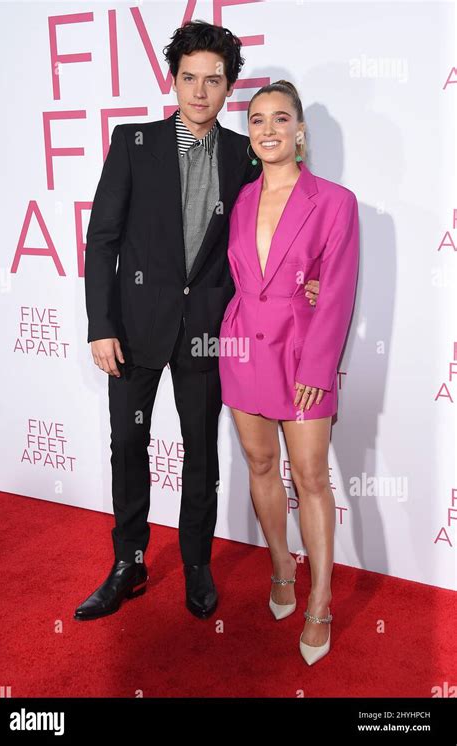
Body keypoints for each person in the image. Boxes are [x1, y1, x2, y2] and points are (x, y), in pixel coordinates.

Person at [74, 23, 321, 622]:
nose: (200, 92)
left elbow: (269, 231)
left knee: (200, 453)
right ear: (173, 80)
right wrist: (100, 324)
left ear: (229, 86)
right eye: (190, 78)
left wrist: (304, 283)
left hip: (211, 331)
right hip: (133, 327)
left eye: (214, 80)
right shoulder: (133, 142)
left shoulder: (245, 153)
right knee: (127, 444)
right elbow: (102, 238)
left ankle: (196, 564)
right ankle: (127, 563)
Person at [218, 80, 359, 664]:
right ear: (249, 134)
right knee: (258, 464)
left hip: (303, 354)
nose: (269, 129)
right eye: (257, 120)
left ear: (300, 130)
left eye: (281, 118)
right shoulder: (240, 197)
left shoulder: (334, 201)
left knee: (311, 476)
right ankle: (281, 566)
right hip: (243, 345)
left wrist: (320, 366)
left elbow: (339, 290)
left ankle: (320, 600)